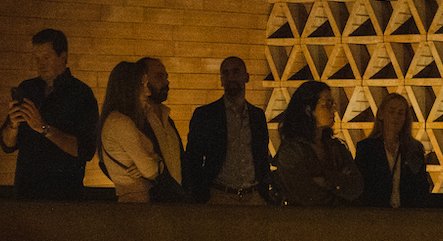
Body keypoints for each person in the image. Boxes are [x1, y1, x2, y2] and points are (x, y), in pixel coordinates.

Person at [0, 28, 97, 201]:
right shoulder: (28, 89)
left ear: (63, 57)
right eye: (36, 58)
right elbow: (7, 145)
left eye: (46, 57)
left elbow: (86, 150)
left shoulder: (81, 94)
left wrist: (44, 128)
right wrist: (13, 125)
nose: (40, 64)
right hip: (25, 192)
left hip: (63, 195)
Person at [184, 56, 275, 204]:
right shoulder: (206, 114)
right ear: (221, 80)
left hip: (254, 196)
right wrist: (200, 194)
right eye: (225, 73)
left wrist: (264, 192)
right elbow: (193, 157)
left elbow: (261, 156)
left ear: (246, 77)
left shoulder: (258, 116)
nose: (230, 77)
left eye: (235, 72)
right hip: (219, 195)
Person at [98, 60, 179, 202]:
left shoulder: (125, 120)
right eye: (143, 84)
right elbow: (150, 170)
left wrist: (152, 162)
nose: (147, 90)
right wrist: (156, 163)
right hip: (137, 202)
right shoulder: (120, 122)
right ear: (130, 87)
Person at [274, 79, 363, 205]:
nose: (334, 110)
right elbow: (306, 194)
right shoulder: (291, 151)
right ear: (308, 110)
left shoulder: (335, 147)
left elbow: (357, 186)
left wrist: (324, 180)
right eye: (327, 104)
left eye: (333, 103)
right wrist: (340, 180)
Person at [355, 92, 432, 208]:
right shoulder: (366, 148)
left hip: (407, 215)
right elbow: (361, 186)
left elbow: (421, 185)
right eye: (391, 112)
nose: (396, 116)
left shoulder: (414, 149)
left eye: (401, 113)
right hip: (375, 214)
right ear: (381, 114)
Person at [139, 57, 187, 200]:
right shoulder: (136, 121)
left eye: (166, 77)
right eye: (160, 76)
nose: (166, 82)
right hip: (151, 205)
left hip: (177, 204)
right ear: (143, 80)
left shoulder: (168, 120)